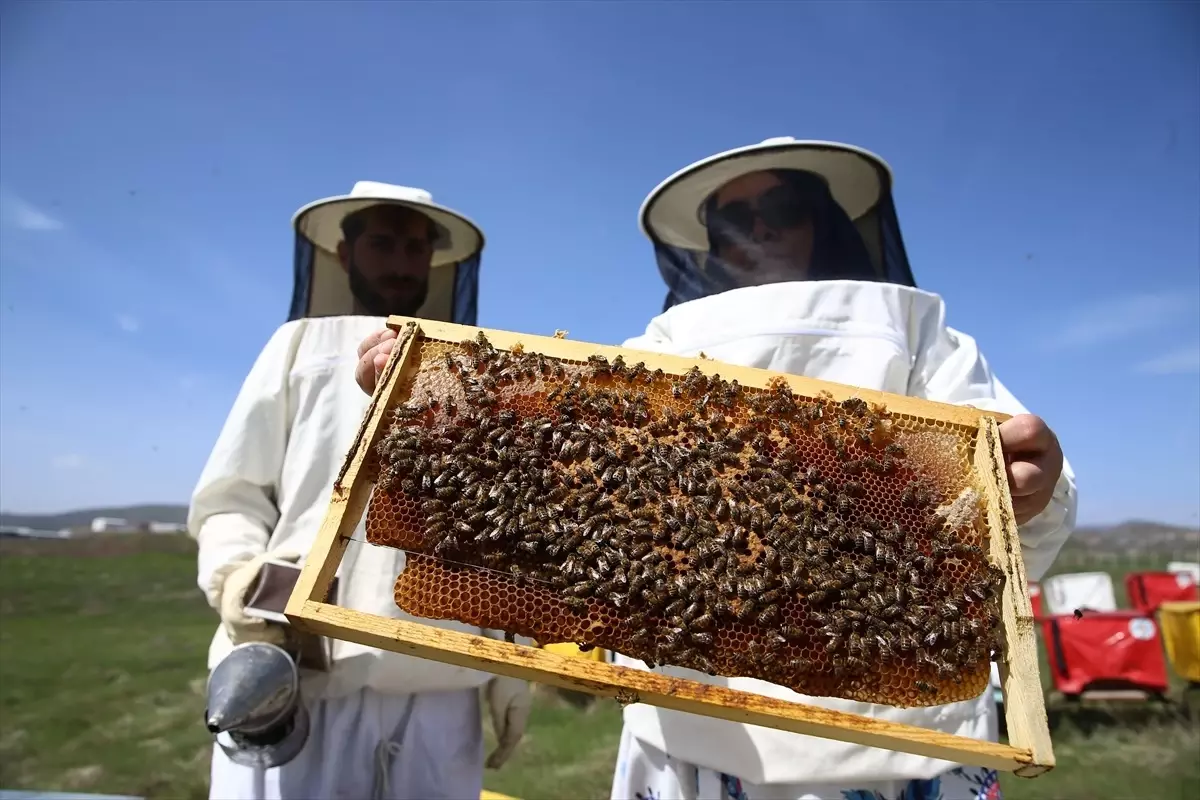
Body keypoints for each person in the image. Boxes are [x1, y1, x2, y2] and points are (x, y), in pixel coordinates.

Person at [352, 138, 1077, 800]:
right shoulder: (662, 347)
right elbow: (551, 461)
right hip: (691, 733)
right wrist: (432, 395)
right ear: (708, 245)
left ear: (823, 221)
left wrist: (1033, 490)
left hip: (902, 749)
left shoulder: (924, 336)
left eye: (783, 209)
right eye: (733, 221)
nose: (759, 230)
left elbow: (1009, 519)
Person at [189, 181, 531, 800]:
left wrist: (509, 655)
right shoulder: (296, 346)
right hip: (297, 680)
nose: (401, 261)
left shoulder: (484, 368)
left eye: (414, 246)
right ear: (346, 256)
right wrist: (235, 574)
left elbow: (502, 532)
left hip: (440, 687)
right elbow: (233, 495)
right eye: (382, 243)